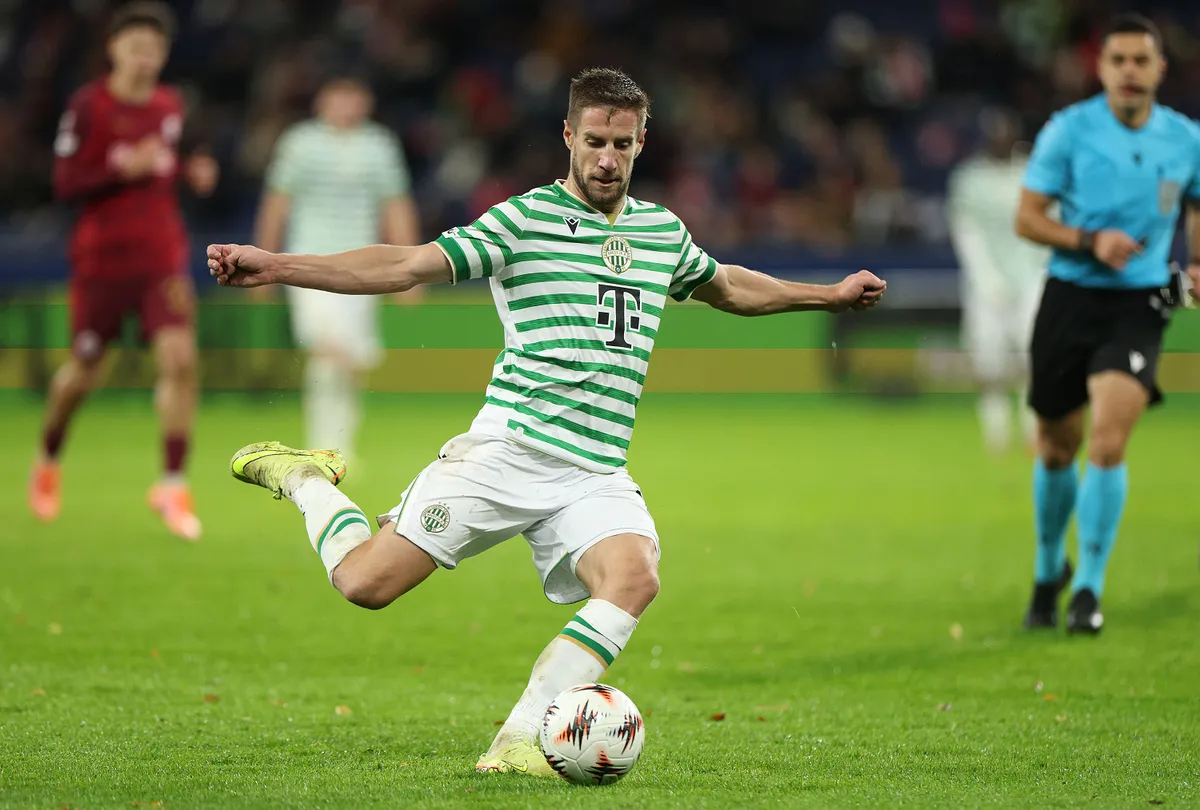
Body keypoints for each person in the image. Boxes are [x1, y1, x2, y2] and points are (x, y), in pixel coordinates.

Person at [208, 68, 886, 774]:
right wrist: (280, 265)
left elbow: (729, 285)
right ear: (567, 135)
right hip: (508, 450)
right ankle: (308, 479)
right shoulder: (523, 220)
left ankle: (519, 740)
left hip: (594, 469)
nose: (605, 159)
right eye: (594, 140)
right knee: (364, 585)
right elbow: (407, 264)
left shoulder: (660, 231)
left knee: (634, 576)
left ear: (641, 142)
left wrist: (828, 295)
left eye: (621, 145)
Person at [1015, 14, 1200, 634]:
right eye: (1117, 60)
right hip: (1070, 297)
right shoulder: (1069, 131)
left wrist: (1196, 263)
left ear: (1159, 69)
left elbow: (1195, 206)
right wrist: (1089, 239)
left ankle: (1088, 589)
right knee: (1056, 446)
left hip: (1139, 303)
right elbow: (1027, 218)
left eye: (1140, 61)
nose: (1128, 71)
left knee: (1109, 443)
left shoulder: (1186, 139)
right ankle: (1048, 568)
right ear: (1100, 68)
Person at [29, 1, 217, 540]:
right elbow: (65, 183)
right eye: (136, 47)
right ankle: (48, 457)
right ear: (114, 49)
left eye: (154, 49)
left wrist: (189, 172)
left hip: (161, 257)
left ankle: (173, 482)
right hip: (102, 262)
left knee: (181, 361)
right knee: (84, 373)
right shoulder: (89, 106)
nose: (145, 58)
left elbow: (163, 166)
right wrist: (117, 167)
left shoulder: (168, 105)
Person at [254, 74, 420, 464]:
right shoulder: (300, 142)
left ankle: (341, 446)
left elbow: (394, 205)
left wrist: (410, 270)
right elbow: (277, 203)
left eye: (354, 96)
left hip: (362, 263)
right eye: (339, 96)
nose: (347, 105)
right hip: (306, 261)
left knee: (351, 360)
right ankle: (323, 445)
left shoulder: (379, 145)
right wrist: (263, 258)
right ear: (323, 101)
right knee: (327, 348)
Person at [947, 108, 1049, 455]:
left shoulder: (1033, 174)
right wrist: (986, 278)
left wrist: (1043, 272)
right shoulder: (969, 178)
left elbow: (1049, 225)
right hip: (985, 287)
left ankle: (1032, 431)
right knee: (989, 364)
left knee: (1032, 359)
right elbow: (965, 231)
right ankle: (996, 436)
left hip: (1030, 280)